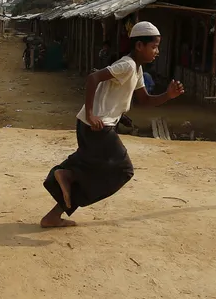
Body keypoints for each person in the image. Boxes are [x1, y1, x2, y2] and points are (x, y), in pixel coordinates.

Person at [40, 21, 184, 228]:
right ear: (139, 46)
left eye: (158, 46)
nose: (157, 51)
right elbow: (93, 78)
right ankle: (69, 174)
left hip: (92, 126)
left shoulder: (137, 69)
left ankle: (54, 213)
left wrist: (168, 96)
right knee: (123, 170)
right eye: (154, 46)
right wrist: (91, 114)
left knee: (94, 170)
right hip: (97, 127)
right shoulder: (127, 65)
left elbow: (144, 100)